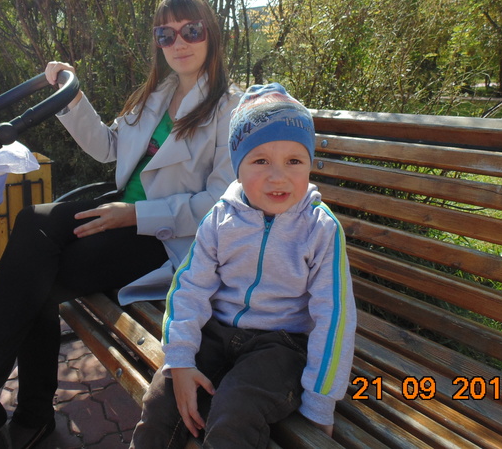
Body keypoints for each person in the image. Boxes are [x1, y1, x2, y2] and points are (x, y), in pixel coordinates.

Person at [0, 0, 241, 449]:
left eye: (191, 30)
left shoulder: (230, 108)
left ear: (211, 33)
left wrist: (133, 214)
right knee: (32, 222)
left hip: (165, 237)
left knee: (37, 281)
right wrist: (72, 99)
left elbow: (217, 202)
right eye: (166, 34)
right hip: (119, 212)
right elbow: (107, 146)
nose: (179, 42)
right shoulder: (157, 94)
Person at [130, 83, 357, 449]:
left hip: (280, 347)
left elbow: (335, 318)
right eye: (260, 161)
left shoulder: (320, 229)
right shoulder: (220, 219)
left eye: (294, 161)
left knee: (234, 413)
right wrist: (181, 360)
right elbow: (190, 288)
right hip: (215, 333)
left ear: (309, 165)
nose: (278, 176)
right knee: (161, 402)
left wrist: (320, 403)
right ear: (238, 168)